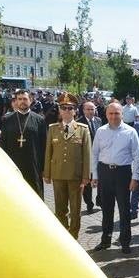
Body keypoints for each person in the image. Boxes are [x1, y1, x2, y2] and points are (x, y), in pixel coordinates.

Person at [90, 102, 139, 254]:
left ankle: (125, 241)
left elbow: (137, 156)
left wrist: (135, 177)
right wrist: (95, 175)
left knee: (124, 209)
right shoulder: (100, 131)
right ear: (106, 114)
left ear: (122, 114)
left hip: (123, 174)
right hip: (105, 172)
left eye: (116, 113)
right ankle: (105, 240)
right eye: (111, 113)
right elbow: (94, 154)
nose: (113, 116)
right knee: (106, 209)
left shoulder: (130, 131)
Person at [43, 92, 91, 240]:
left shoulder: (82, 129)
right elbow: (48, 152)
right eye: (63, 108)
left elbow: (87, 155)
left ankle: (74, 235)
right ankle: (63, 236)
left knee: (75, 209)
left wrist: (85, 176)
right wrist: (47, 173)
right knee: (60, 208)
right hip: (58, 175)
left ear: (75, 110)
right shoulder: (53, 129)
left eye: (70, 108)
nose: (67, 111)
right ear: (59, 110)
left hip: (75, 176)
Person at [0, 89, 48, 198]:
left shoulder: (39, 120)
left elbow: (44, 146)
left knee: (35, 195)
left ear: (30, 100)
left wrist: (45, 168)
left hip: (33, 165)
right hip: (13, 165)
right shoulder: (7, 119)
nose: (22, 101)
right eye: (19, 99)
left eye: (25, 99)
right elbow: (3, 144)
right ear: (16, 101)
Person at [77, 101, 103, 213]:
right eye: (88, 109)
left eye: (92, 109)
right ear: (83, 110)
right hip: (86, 157)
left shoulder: (99, 120)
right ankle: (89, 203)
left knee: (101, 179)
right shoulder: (78, 123)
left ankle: (99, 200)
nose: (91, 111)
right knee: (87, 181)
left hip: (99, 156)